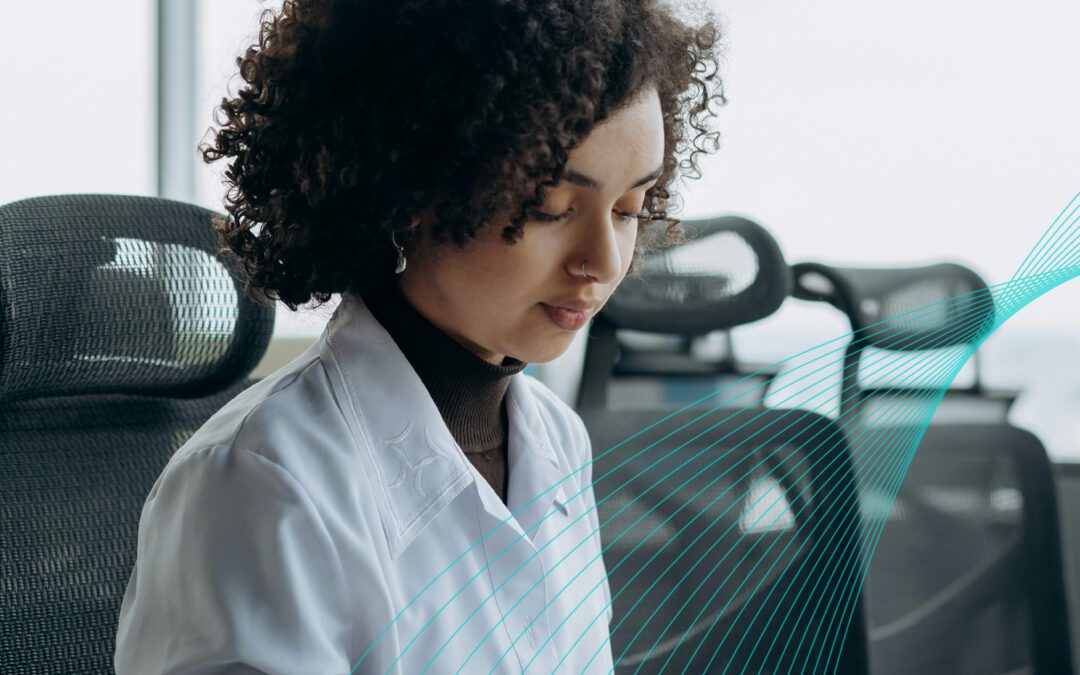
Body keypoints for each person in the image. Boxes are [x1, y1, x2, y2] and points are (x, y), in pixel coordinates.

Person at [114, 0, 724, 672]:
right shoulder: (262, 481)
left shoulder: (554, 439)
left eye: (629, 208)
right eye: (551, 208)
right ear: (415, 191)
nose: (604, 262)